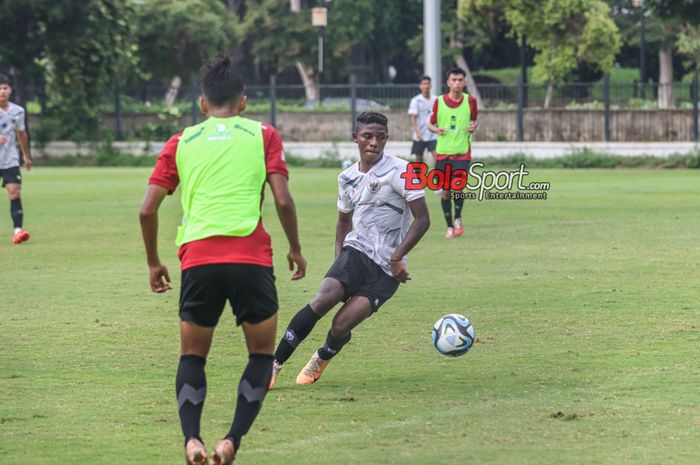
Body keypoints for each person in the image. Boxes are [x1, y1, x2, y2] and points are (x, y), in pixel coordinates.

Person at [139, 56, 306, 465]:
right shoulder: (263, 134)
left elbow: (147, 210)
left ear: (201, 104)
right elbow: (282, 198)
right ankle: (230, 441)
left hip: (198, 260)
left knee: (193, 357)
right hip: (250, 258)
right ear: (243, 102)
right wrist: (295, 248)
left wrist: (154, 263)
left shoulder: (181, 142)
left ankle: (192, 441)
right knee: (261, 357)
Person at [269, 111, 430, 388]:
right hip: (355, 253)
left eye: (380, 138)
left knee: (341, 325)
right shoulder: (346, 177)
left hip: (386, 270)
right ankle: (273, 365)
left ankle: (322, 356)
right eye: (367, 136)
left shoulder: (404, 171)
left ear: (387, 139)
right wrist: (339, 264)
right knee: (324, 299)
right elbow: (343, 222)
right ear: (356, 137)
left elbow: (423, 220)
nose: (374, 143)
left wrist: (396, 257)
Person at [428, 67, 478, 239]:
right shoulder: (439, 101)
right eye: (454, 80)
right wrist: (436, 129)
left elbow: (474, 121)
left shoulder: (471, 101)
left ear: (464, 82)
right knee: (446, 191)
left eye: (460, 80)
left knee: (458, 186)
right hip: (443, 153)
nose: (457, 83)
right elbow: (430, 124)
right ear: (448, 82)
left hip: (462, 152)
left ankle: (458, 218)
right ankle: (449, 226)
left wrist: (473, 127)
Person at [0, 74, 32, 244]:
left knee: (14, 191)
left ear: (10, 90)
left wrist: (26, 156)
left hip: (9, 159)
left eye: (4, 88)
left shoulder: (18, 111)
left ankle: (18, 231)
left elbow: (21, 133)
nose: (2, 92)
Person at [407, 76, 437, 164]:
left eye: (428, 84)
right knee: (418, 160)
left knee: (438, 157)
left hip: (433, 134)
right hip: (420, 135)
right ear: (420, 86)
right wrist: (418, 133)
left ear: (431, 85)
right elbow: (413, 118)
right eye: (424, 84)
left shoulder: (436, 99)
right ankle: (418, 177)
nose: (426, 86)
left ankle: (440, 176)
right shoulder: (416, 100)